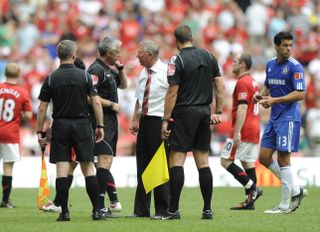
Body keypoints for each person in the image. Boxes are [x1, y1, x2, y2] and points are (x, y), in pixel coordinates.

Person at [161, 24, 225, 220]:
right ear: (192, 38)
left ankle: (173, 210)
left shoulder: (177, 59)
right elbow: (220, 87)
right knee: (203, 162)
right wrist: (219, 111)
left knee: (177, 160)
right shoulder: (208, 55)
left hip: (184, 113)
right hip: (204, 112)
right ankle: (207, 209)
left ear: (176, 40)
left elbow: (172, 92)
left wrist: (165, 120)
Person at [37, 40, 106, 221]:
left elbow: (43, 108)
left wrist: (40, 131)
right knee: (88, 168)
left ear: (59, 56)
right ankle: (97, 211)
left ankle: (65, 212)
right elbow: (96, 102)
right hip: (82, 124)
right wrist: (100, 125)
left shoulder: (51, 78)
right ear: (74, 55)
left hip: (60, 125)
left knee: (62, 168)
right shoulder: (84, 76)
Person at [253, 31, 308, 214]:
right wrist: (260, 94)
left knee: (284, 159)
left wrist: (274, 101)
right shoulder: (270, 64)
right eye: (285, 45)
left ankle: (284, 206)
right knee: (264, 158)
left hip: (288, 118)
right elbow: (268, 84)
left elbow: (300, 94)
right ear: (276, 46)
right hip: (274, 117)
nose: (289, 49)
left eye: (291, 45)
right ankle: (296, 190)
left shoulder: (295, 67)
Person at [129, 40, 170, 219]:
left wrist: (167, 122)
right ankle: (141, 209)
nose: (137, 56)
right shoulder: (143, 73)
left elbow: (172, 98)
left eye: (140, 53)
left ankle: (162, 208)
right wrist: (135, 119)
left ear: (150, 55)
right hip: (145, 121)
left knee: (159, 165)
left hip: (158, 121)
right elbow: (139, 98)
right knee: (142, 164)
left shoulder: (166, 72)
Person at [87, 36, 127, 216]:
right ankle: (100, 206)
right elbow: (89, 96)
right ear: (108, 53)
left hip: (110, 120)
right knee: (103, 161)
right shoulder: (96, 70)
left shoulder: (108, 70)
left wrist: (121, 68)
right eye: (117, 52)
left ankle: (106, 204)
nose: (119, 55)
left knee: (105, 162)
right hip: (100, 120)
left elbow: (124, 85)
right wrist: (111, 104)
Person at [40, 58, 86, 213]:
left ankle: (59, 203)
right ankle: (60, 202)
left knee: (68, 167)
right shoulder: (83, 81)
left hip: (70, 127)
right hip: (82, 128)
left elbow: (44, 106)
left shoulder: (56, 79)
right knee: (74, 167)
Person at [220, 54, 262, 210]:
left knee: (225, 161)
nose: (232, 65)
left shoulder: (242, 82)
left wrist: (237, 132)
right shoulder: (253, 82)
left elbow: (243, 107)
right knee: (247, 163)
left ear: (242, 65)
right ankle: (249, 202)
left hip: (243, 128)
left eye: (235, 62)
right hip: (254, 127)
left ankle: (253, 188)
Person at [0, 63, 32, 208]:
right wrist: (19, 113)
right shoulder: (22, 92)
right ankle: (5, 201)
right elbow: (29, 115)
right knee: (8, 167)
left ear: (5, 74)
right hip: (10, 133)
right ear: (19, 74)